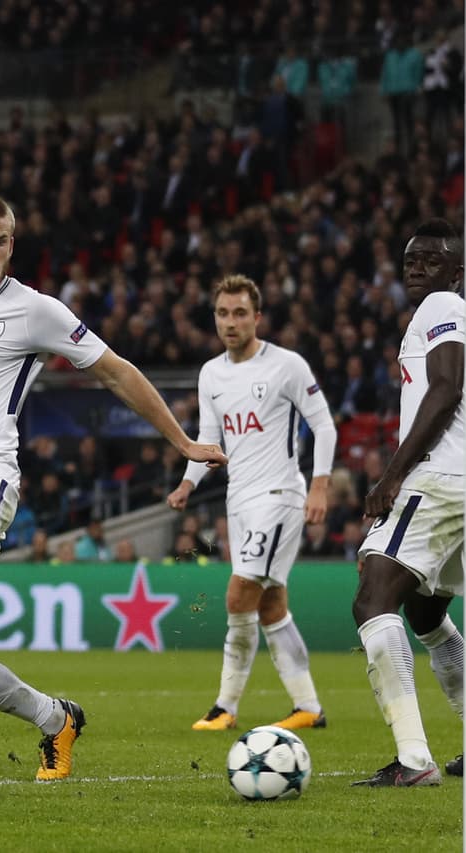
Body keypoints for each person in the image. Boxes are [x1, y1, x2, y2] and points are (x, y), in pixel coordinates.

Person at [0, 193, 226, 781]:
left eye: (1, 240)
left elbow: (115, 370)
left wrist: (181, 442)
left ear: (13, 243)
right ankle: (55, 718)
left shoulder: (36, 311)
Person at [166, 274, 338, 733]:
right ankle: (309, 706)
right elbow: (209, 440)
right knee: (270, 606)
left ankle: (225, 706)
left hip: (279, 496)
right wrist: (188, 482)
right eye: (223, 313)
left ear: (257, 317)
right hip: (237, 501)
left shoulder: (287, 366)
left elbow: (324, 426)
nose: (230, 322)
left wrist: (320, 486)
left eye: (240, 313)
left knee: (239, 595)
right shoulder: (211, 374)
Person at [350, 219, 466, 787]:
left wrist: (392, 477)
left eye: (432, 260)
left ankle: (415, 760)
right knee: (426, 613)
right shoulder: (463, 314)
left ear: (457, 274)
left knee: (373, 599)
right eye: (411, 260)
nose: (418, 269)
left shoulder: (442, 306)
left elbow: (445, 389)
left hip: (439, 478)